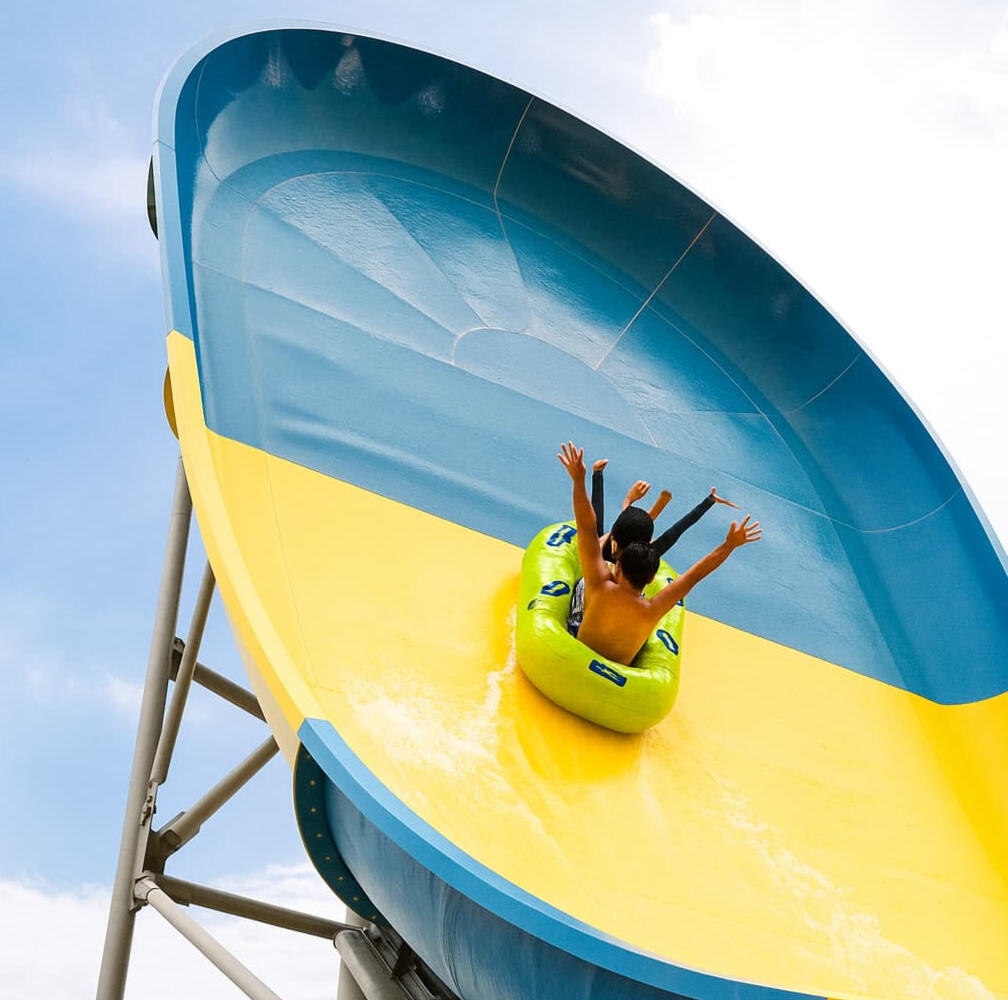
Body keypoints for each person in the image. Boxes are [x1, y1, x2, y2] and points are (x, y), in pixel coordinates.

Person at [558, 441, 761, 665]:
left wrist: (578, 481)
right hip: (617, 682)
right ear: (651, 578)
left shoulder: (598, 584)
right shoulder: (652, 609)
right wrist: (729, 545)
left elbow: (586, 527)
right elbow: (695, 575)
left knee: (580, 585)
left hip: (575, 659)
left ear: (618, 564)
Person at [590, 458, 739, 563]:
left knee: (602, 530)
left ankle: (651, 513)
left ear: (614, 540)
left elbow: (595, 517)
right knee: (635, 527)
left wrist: (598, 475)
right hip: (623, 591)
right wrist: (709, 501)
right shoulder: (643, 562)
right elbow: (677, 530)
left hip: (592, 593)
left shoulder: (596, 550)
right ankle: (652, 514)